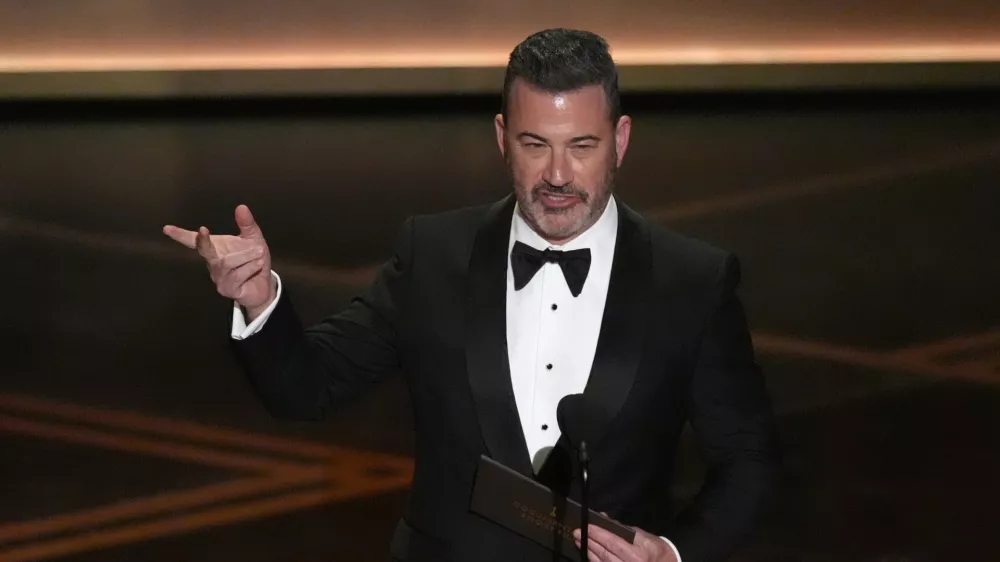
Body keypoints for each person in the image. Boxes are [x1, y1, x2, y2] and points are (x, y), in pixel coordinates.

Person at [164, 28, 780, 562]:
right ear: (501, 136)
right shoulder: (434, 254)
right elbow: (306, 388)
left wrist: (672, 553)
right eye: (535, 144)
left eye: (581, 146)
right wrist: (259, 297)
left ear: (619, 140)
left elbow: (747, 460)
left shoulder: (692, 280)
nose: (559, 175)